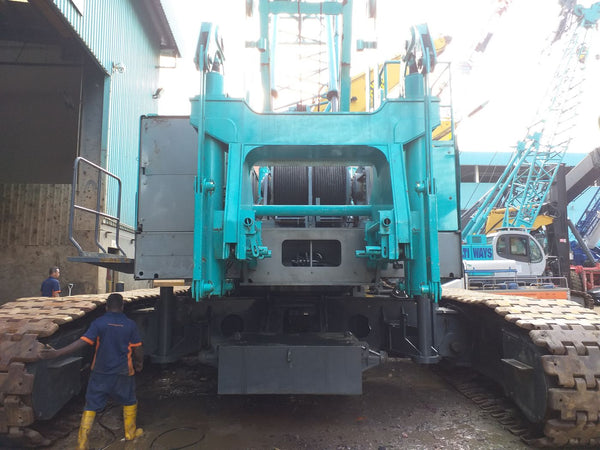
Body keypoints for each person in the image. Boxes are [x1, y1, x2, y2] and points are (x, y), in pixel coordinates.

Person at [41, 293, 144, 449]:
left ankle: (82, 443)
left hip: (100, 372)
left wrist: (57, 353)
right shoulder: (130, 325)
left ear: (106, 307)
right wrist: (139, 363)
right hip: (123, 372)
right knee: (129, 401)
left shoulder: (99, 323)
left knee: (91, 404)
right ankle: (130, 434)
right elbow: (138, 348)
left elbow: (82, 342)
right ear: (122, 307)